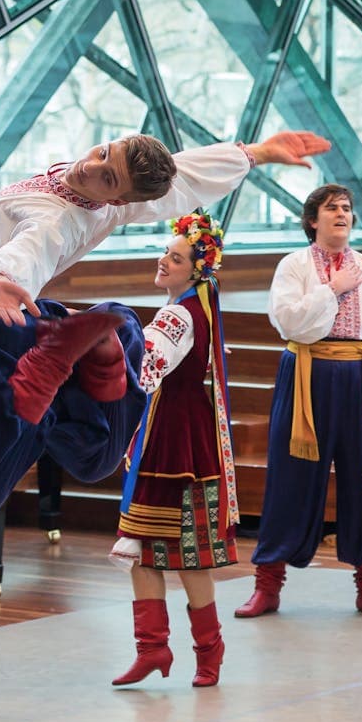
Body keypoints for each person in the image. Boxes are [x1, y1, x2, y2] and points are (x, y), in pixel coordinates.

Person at [0, 131, 327, 522]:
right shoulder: (109, 205)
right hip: (21, 324)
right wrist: (257, 154)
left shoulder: (58, 217)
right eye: (103, 152)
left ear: (115, 198)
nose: (90, 166)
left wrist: (2, 278)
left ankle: (56, 376)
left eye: (107, 177)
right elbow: (183, 178)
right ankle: (91, 361)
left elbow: (36, 242)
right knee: (92, 460)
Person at [236, 184, 362, 620]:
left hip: (360, 378)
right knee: (291, 474)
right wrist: (331, 289)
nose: (342, 213)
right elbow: (287, 320)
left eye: (347, 208)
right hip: (306, 374)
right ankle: (268, 583)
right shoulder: (294, 266)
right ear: (312, 220)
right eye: (331, 208)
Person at [108, 212, 236, 688]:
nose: (164, 260)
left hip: (176, 441)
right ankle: (154, 648)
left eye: (176, 257)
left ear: (195, 270)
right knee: (143, 547)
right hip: (173, 432)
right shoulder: (193, 310)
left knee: (188, 557)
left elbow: (145, 371)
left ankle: (207, 650)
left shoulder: (179, 314)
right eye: (166, 252)